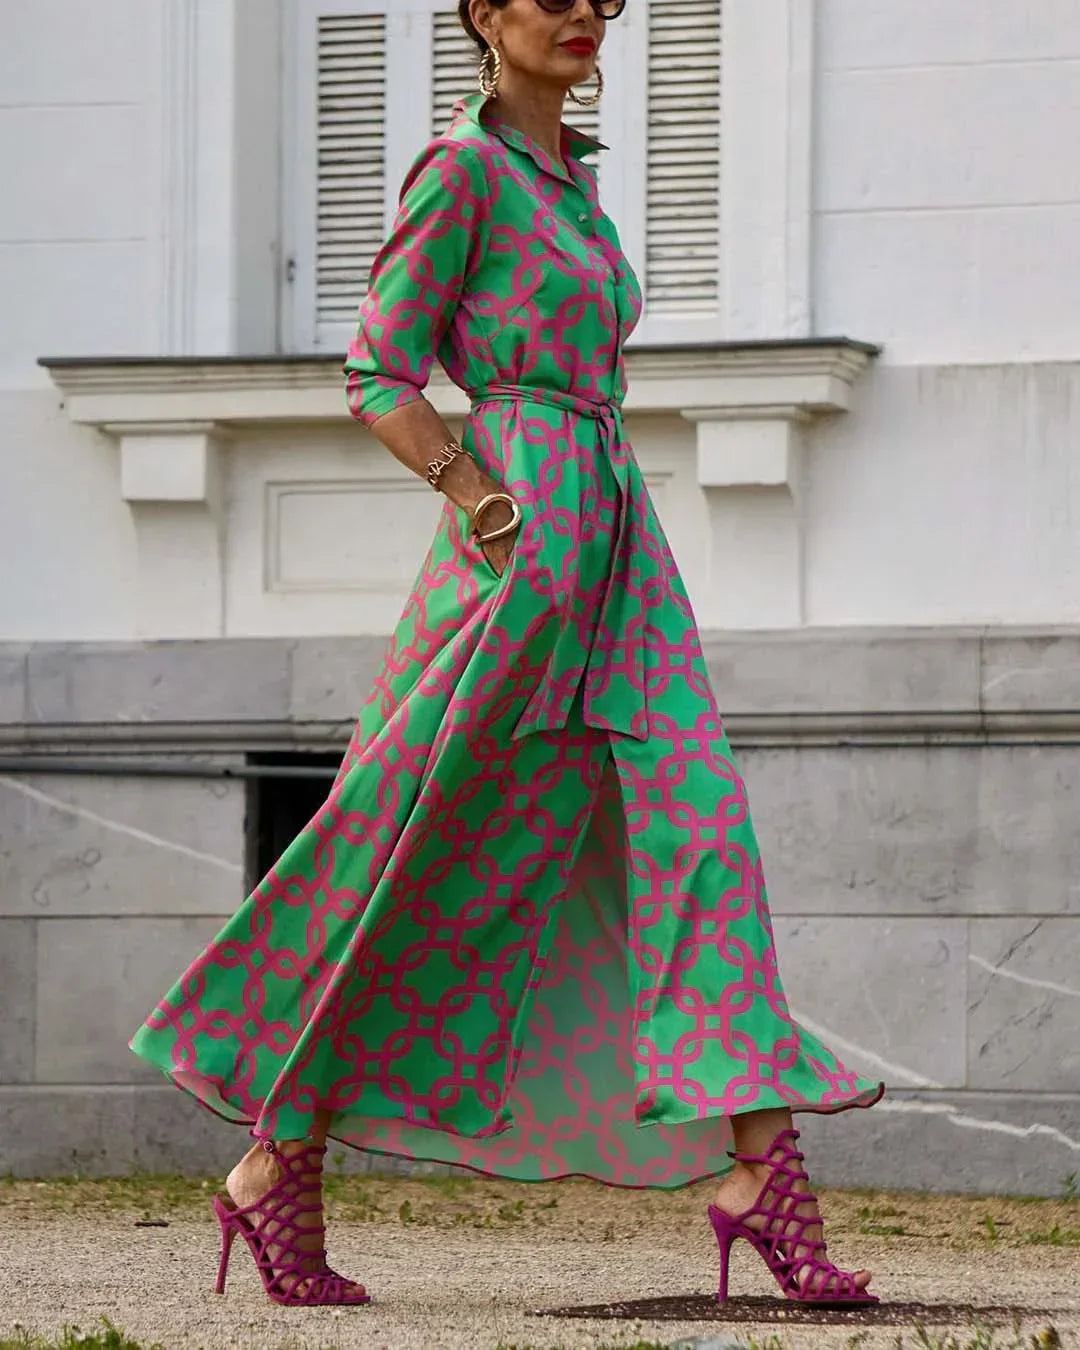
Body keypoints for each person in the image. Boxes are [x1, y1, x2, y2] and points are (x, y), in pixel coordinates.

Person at [130, 0, 885, 1310]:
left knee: (702, 826)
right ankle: (277, 1156)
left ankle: (762, 1167)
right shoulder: (462, 170)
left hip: (620, 543)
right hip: (519, 546)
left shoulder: (577, 185)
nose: (587, 12)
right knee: (422, 850)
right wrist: (485, 502)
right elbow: (379, 371)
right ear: (484, 12)